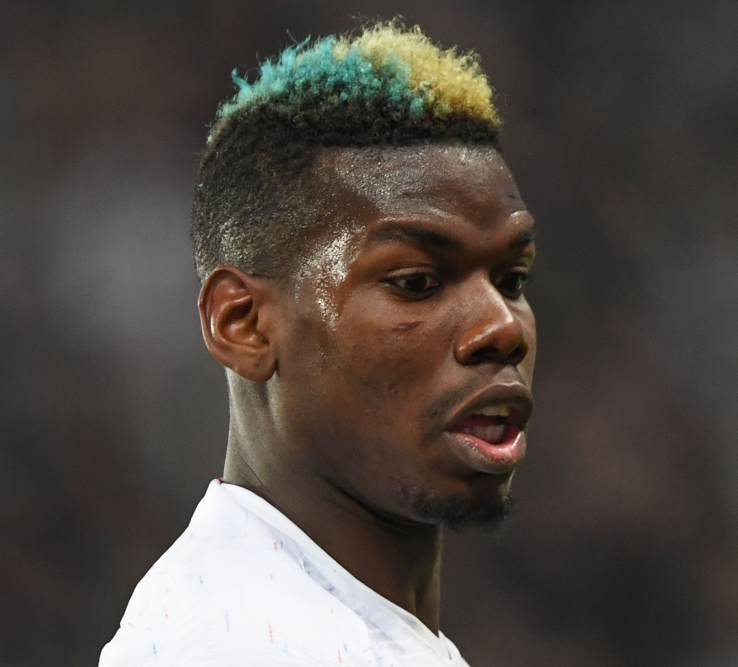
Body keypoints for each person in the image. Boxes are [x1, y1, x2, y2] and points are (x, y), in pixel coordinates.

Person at [100, 21, 536, 667]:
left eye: (511, 278)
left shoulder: (330, 626)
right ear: (243, 324)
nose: (501, 326)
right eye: (417, 282)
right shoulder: (234, 645)